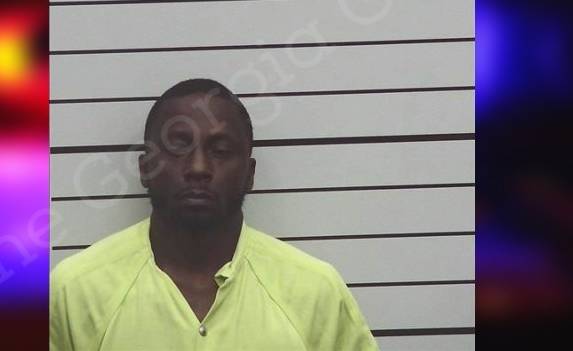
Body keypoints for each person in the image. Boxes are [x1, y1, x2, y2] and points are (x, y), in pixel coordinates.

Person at [50, 78, 379, 350]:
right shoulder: (77, 291)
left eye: (220, 151)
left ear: (250, 174)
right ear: (146, 168)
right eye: (178, 147)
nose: (198, 168)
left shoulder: (315, 291)